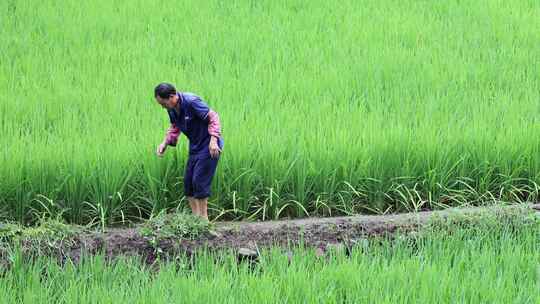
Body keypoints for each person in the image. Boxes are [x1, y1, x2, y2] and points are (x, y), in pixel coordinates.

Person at [154, 83, 223, 220]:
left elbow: (213, 117)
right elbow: (175, 126)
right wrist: (165, 143)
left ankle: (204, 220)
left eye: (163, 103)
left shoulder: (191, 102)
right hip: (195, 147)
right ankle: (195, 219)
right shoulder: (172, 109)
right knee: (188, 183)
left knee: (199, 181)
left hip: (209, 145)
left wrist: (214, 140)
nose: (163, 107)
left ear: (172, 97)